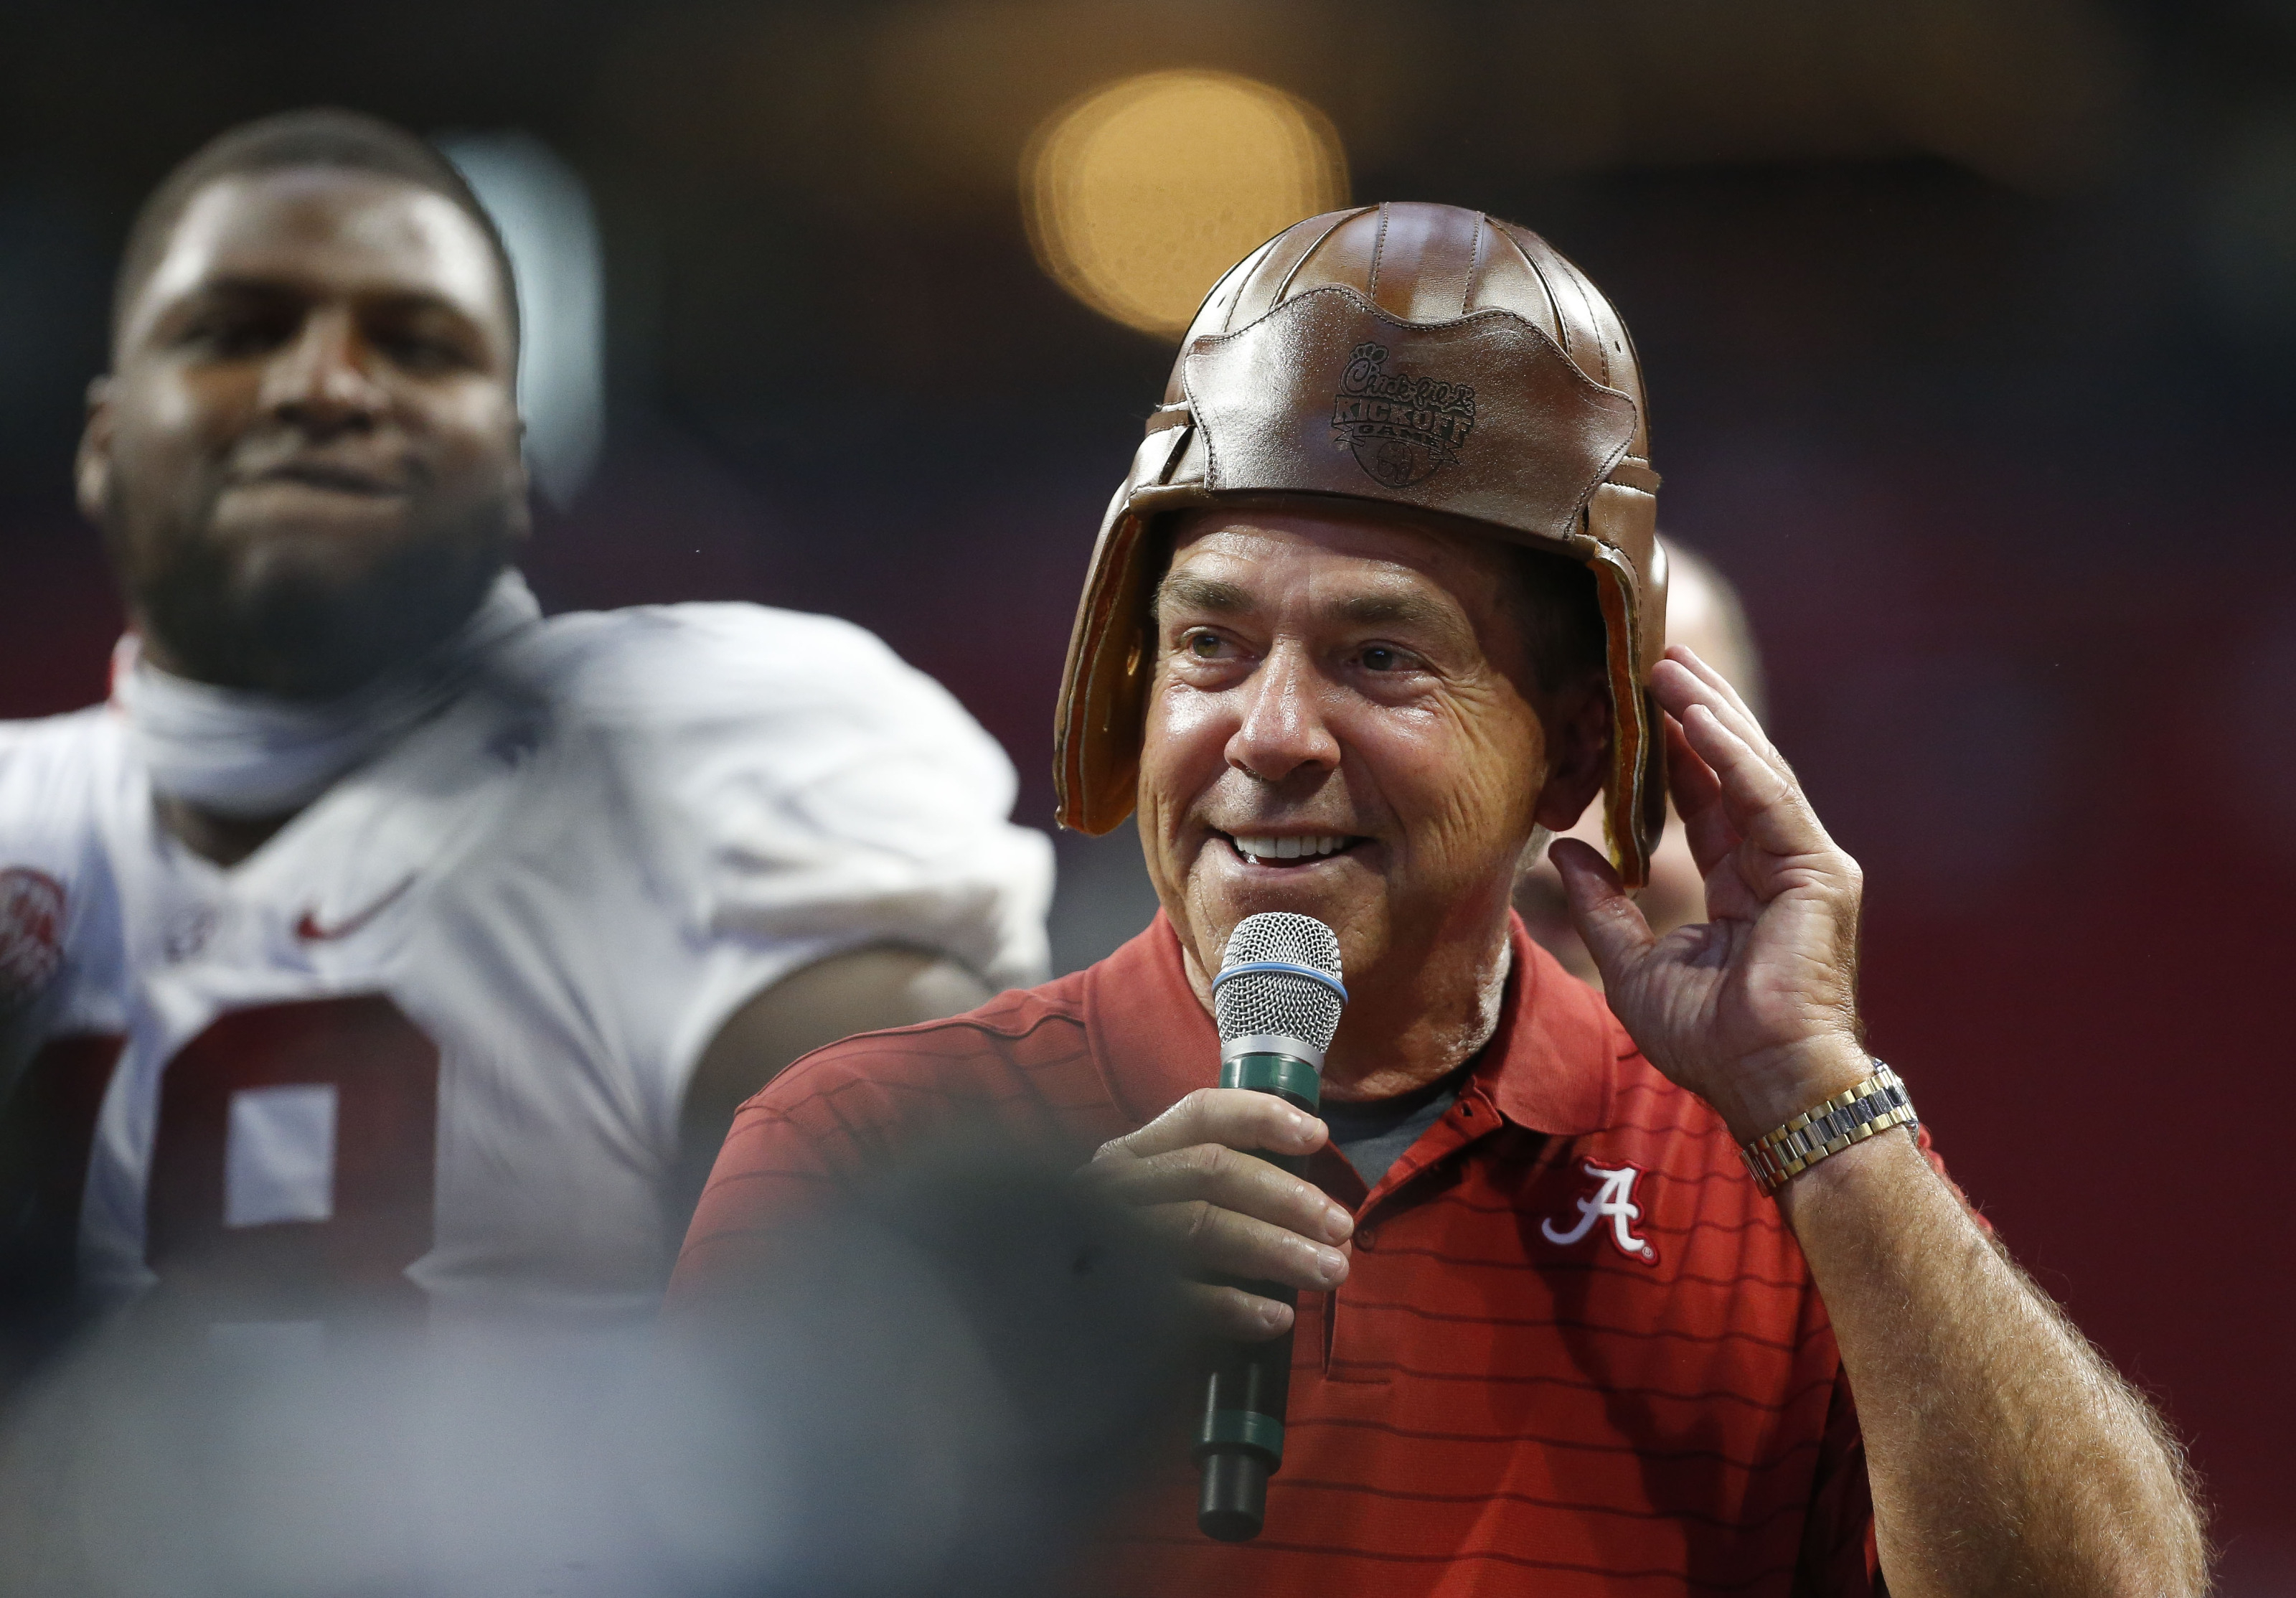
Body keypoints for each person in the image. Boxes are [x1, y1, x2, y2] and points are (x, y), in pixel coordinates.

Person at [673, 203, 2203, 1595]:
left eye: (1380, 657)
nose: (1267, 734)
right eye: (1209, 643)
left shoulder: (1784, 1191)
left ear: (1575, 756)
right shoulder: (861, 1146)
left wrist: (1820, 1097)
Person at [0, 108, 1050, 1339]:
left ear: (510, 457)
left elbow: (934, 1323)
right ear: (106, 438)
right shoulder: (30, 817)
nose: (328, 385)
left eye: (417, 344)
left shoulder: (701, 753)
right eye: (238, 331)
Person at [1517, 536, 1765, 982]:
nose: (1568, 854)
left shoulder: (1804, 1050)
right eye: (1515, 782)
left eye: (1647, 793)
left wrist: (1799, 1052)